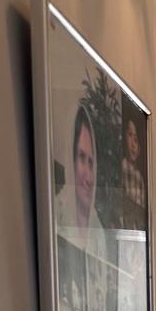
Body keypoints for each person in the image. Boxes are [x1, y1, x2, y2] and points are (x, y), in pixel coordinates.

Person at [55, 102, 106, 264]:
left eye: (91, 163)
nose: (88, 177)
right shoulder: (56, 216)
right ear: (71, 161)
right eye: (81, 158)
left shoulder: (98, 232)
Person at [121, 112, 145, 217]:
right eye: (130, 135)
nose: (133, 144)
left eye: (136, 140)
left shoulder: (139, 176)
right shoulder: (123, 166)